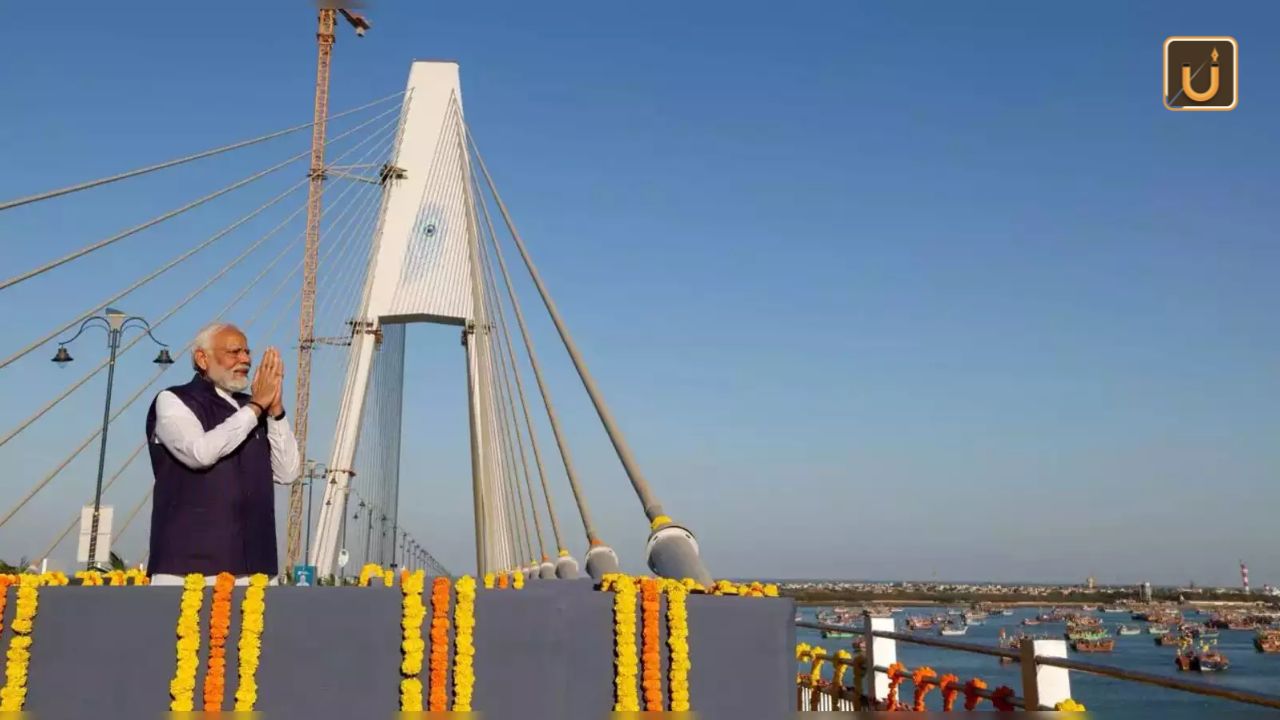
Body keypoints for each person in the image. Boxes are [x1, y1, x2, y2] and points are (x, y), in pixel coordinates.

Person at [145, 322, 299, 585]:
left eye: (247, 352)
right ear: (202, 359)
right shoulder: (175, 401)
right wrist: (256, 407)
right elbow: (200, 453)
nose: (246, 360)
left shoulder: (255, 409)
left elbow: (288, 472)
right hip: (189, 569)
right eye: (234, 352)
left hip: (256, 567)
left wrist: (275, 411)